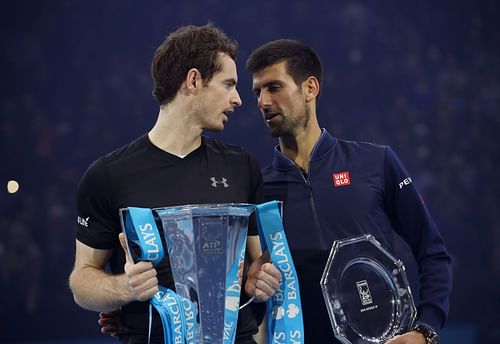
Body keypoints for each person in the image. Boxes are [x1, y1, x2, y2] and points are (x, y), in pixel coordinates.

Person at [69, 23, 281, 344]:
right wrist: (124, 288)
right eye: (228, 85)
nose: (238, 99)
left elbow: (259, 264)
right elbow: (82, 283)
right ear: (194, 80)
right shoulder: (108, 175)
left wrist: (259, 280)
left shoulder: (242, 167)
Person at [246, 39, 452, 344]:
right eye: (258, 92)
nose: (263, 101)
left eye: (274, 87)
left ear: (310, 88)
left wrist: (426, 330)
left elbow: (432, 252)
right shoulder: (257, 190)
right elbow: (253, 289)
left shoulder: (376, 162)